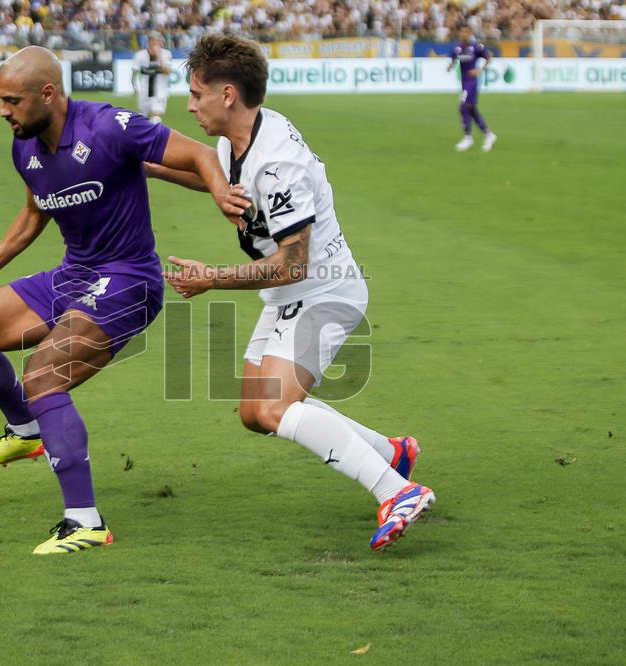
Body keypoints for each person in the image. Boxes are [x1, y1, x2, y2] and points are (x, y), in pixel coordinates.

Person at [0, 46, 245, 555]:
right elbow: (36, 210)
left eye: (12, 100)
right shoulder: (25, 146)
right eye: (0, 100)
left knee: (42, 373)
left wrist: (220, 195)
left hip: (129, 281)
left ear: (48, 94)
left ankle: (84, 521)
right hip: (72, 275)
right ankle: (26, 426)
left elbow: (200, 154)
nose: (3, 111)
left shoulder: (108, 126)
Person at [149, 34, 436, 551]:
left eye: (197, 94)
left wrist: (212, 277)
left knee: (277, 408)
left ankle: (398, 490)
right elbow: (214, 175)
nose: (190, 105)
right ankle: (390, 452)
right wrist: (135, 163)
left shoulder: (277, 164)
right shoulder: (245, 135)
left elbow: (291, 263)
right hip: (291, 296)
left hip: (324, 292)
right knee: (256, 414)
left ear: (228, 95)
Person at [447, 25, 496, 153]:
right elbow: (453, 60)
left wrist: (479, 70)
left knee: (463, 106)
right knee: (472, 110)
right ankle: (489, 135)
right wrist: (450, 66)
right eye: (461, 31)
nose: (463, 34)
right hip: (464, 82)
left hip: (472, 83)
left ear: (470, 33)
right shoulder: (456, 48)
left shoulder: (476, 47)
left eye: (466, 32)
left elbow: (489, 56)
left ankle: (468, 137)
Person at [131, 30, 172, 123]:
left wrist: (158, 56)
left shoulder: (166, 54)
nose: (159, 43)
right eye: (156, 40)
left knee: (156, 117)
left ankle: (154, 136)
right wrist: (134, 86)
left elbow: (167, 71)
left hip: (159, 92)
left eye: (160, 40)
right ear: (150, 42)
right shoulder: (140, 55)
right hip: (144, 92)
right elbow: (134, 73)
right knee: (143, 119)